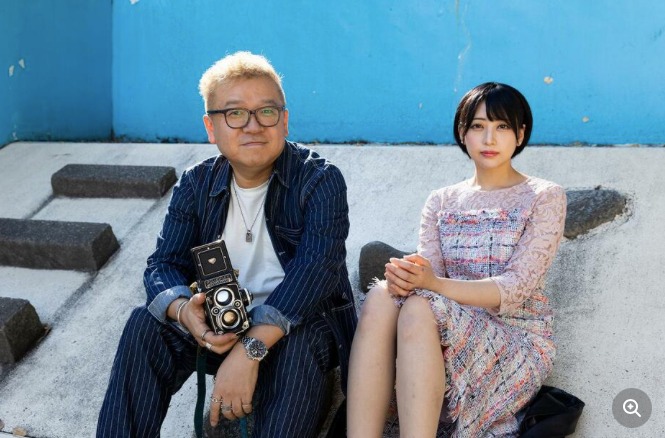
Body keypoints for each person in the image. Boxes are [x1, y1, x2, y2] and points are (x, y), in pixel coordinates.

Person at [97, 51, 357, 438]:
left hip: (294, 332)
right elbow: (162, 264)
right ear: (211, 127)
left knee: (302, 340)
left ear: (284, 120)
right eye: (235, 113)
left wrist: (250, 350)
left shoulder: (319, 180)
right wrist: (185, 313)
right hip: (220, 327)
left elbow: (317, 269)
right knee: (145, 324)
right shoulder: (196, 184)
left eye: (266, 112)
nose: (253, 126)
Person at [347, 82, 567, 437]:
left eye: (502, 126)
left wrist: (432, 284)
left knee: (420, 306)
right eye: (478, 126)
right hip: (441, 325)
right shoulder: (441, 200)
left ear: (520, 134)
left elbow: (515, 288)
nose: (489, 138)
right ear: (463, 133)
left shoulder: (544, 196)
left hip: (515, 340)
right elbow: (427, 276)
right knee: (381, 296)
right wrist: (408, 277)